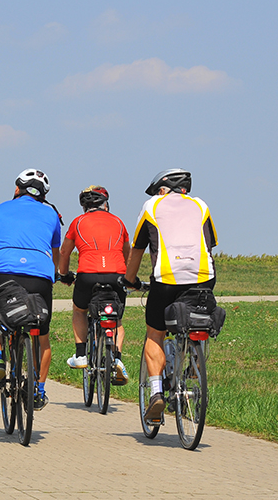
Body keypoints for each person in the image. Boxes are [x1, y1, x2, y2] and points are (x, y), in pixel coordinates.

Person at [121, 169, 218, 420]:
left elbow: (138, 248)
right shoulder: (201, 205)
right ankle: (195, 366)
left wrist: (129, 280)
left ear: (161, 189)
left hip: (166, 279)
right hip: (204, 277)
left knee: (155, 333)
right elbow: (210, 243)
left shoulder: (152, 205)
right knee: (198, 319)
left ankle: (155, 394)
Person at [0, 169, 62, 410]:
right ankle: (38, 390)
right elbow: (55, 253)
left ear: (17, 189)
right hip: (40, 279)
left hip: (5, 274)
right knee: (42, 338)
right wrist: (54, 274)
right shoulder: (51, 214)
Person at [57, 185, 131, 385]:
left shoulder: (77, 222)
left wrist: (63, 274)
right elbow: (127, 251)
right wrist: (126, 274)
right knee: (117, 319)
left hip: (87, 276)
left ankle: (81, 354)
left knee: (80, 310)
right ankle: (117, 359)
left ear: (84, 207)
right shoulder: (119, 222)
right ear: (106, 204)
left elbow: (64, 252)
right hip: (117, 275)